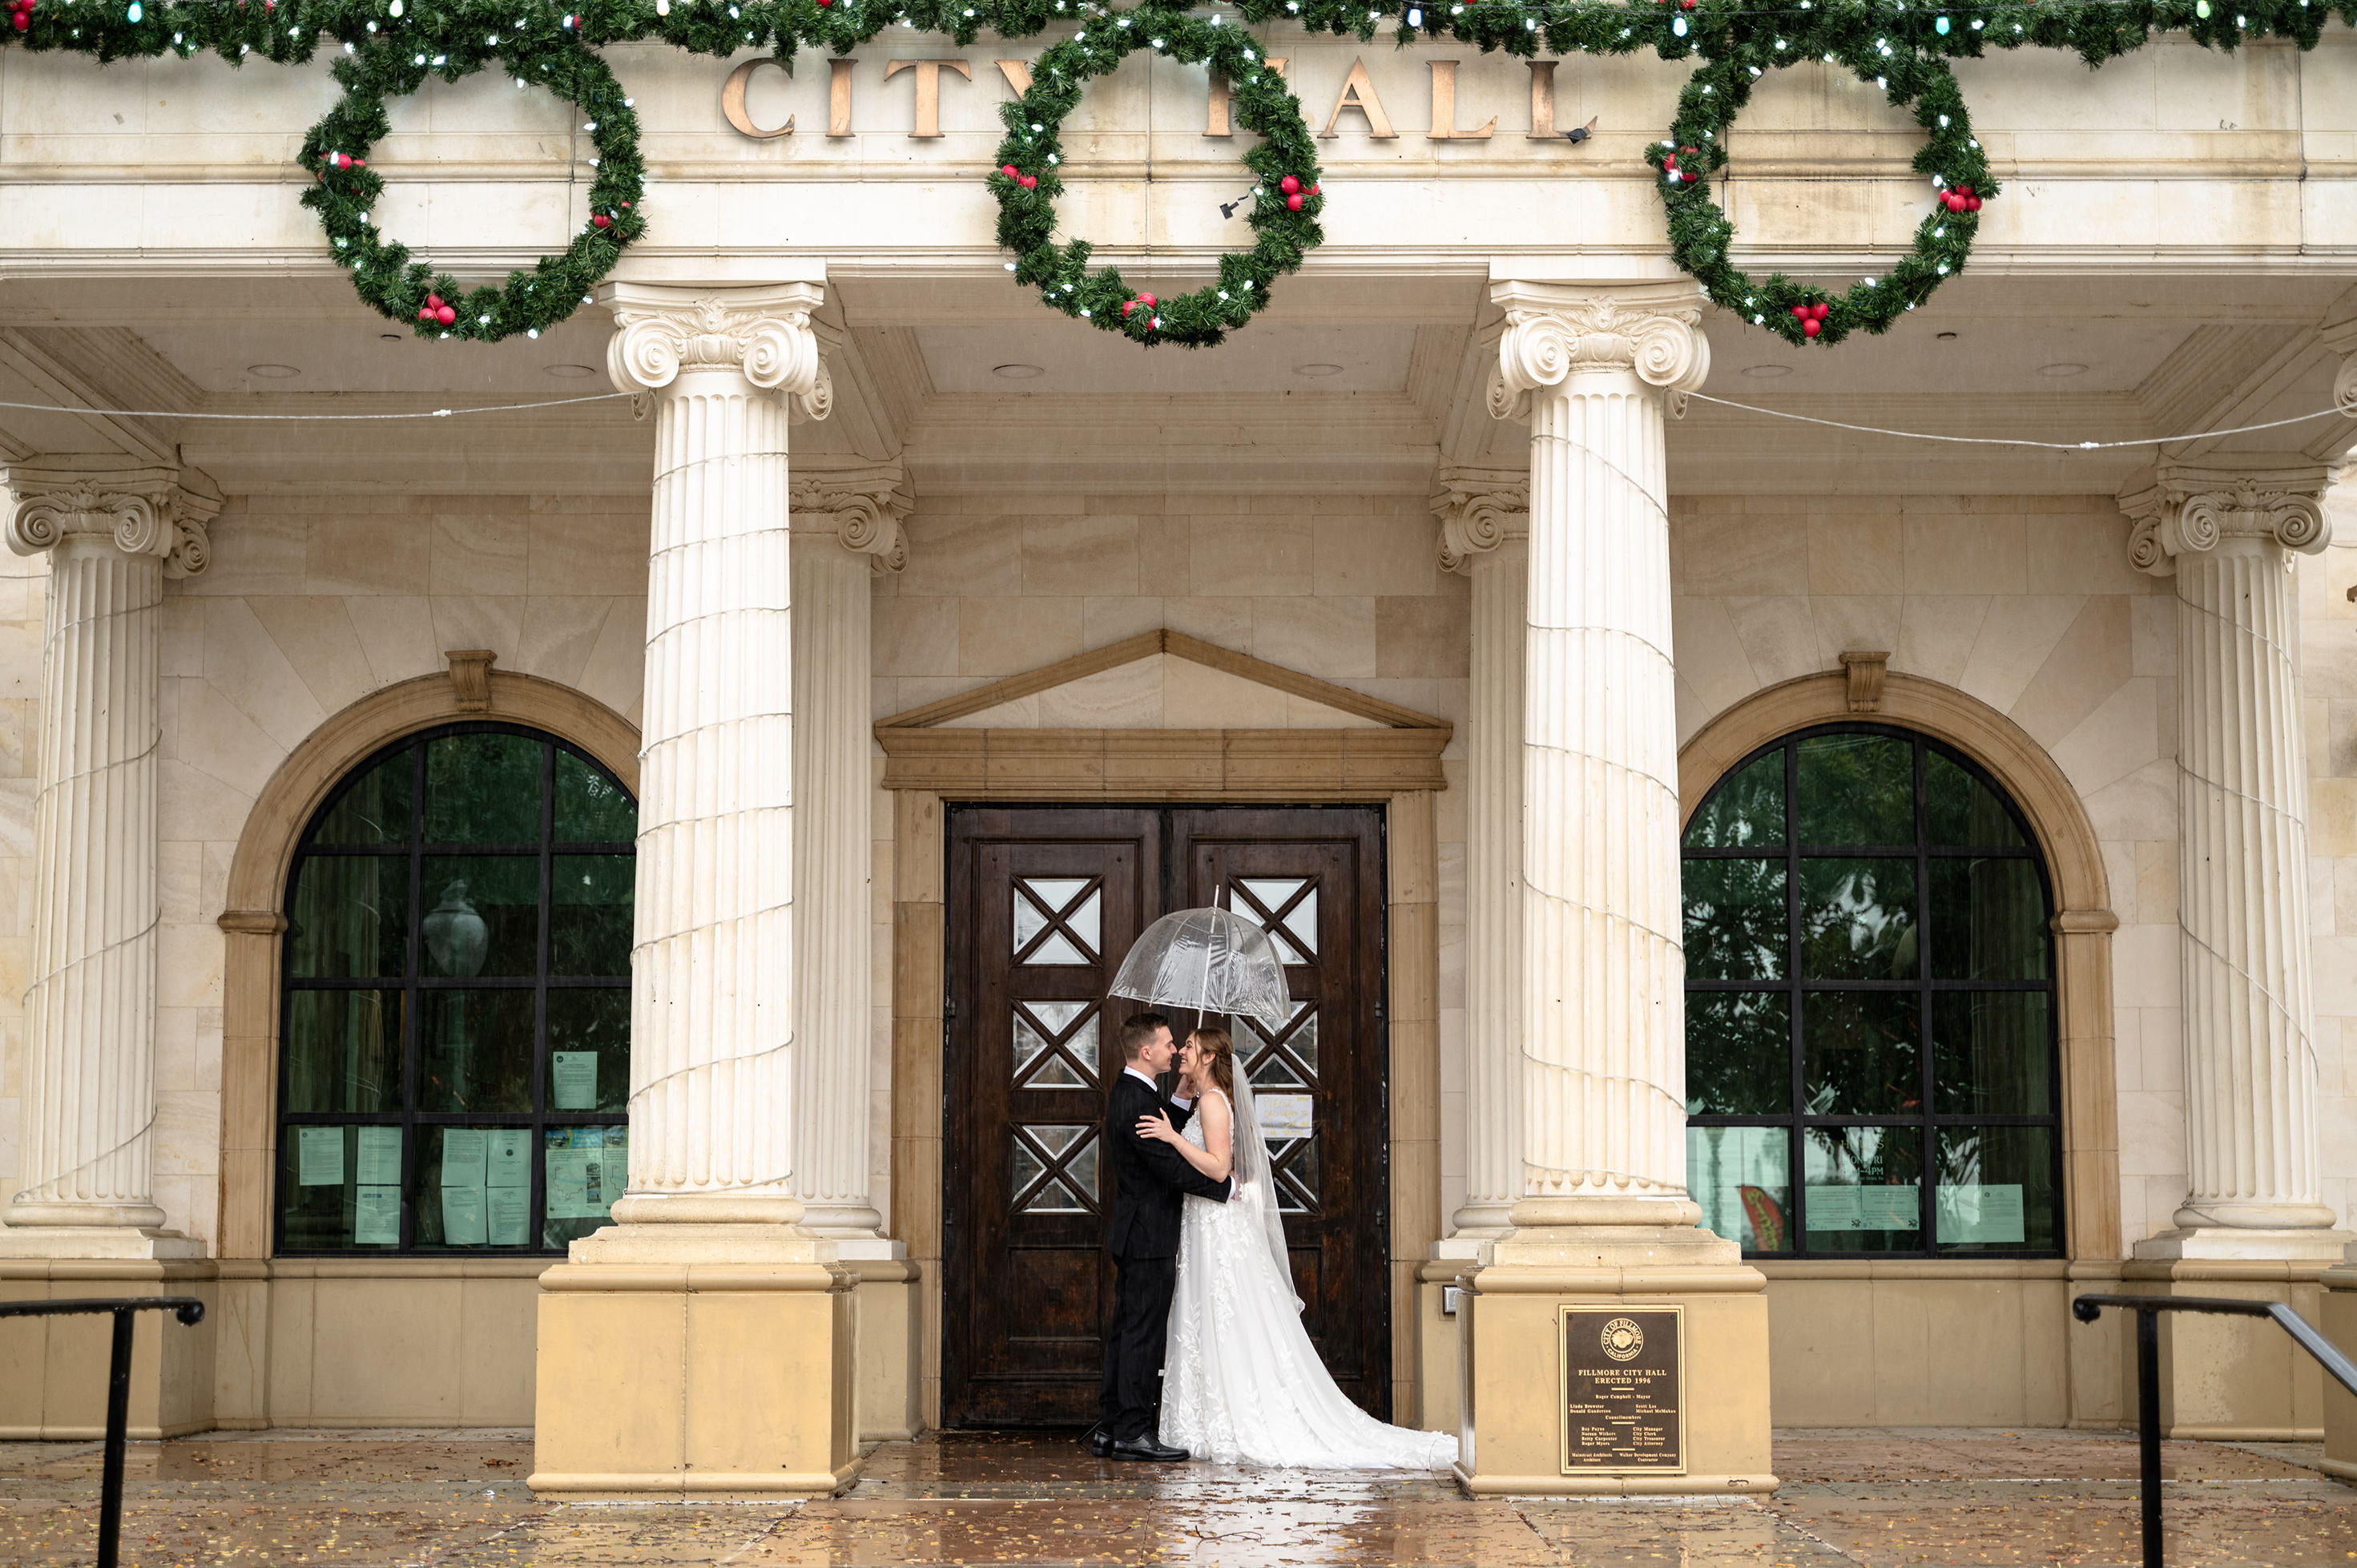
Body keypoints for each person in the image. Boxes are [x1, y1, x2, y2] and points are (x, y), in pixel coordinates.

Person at [1138, 1025, 1459, 1469]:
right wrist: (1181, 1098)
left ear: (1210, 1057)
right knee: (1208, 1315)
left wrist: (1173, 1138)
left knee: (1222, 1313)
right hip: (1203, 1226)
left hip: (1216, 1226)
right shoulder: (1201, 1099)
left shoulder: (1213, 1103)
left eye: (1189, 1048)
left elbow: (1217, 1169)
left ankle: (1229, 1418)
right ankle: (1207, 1417)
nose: (1181, 1054)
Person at [1094, 1012, 1235, 1462]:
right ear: (1147, 1051)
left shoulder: (1136, 1091)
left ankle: (1112, 1427)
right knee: (1141, 1332)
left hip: (1136, 1230)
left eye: (1180, 1044)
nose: (1175, 1050)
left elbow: (1165, 1133)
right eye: (1169, 1043)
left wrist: (1177, 1098)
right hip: (1148, 1233)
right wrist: (1225, 1188)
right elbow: (1169, 1167)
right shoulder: (1136, 1099)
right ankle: (1133, 1431)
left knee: (1126, 1330)